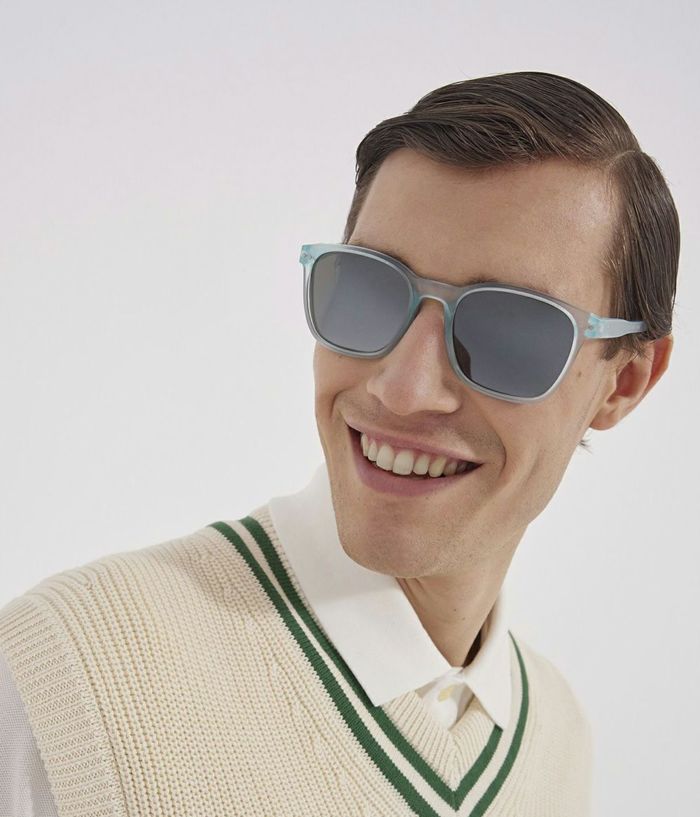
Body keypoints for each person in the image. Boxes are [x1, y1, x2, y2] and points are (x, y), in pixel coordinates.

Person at [0, 70, 678, 816]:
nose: (404, 389)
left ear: (624, 383)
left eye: (510, 331)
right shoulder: (69, 673)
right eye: (369, 288)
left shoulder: (556, 738)